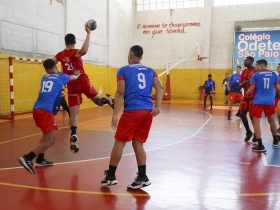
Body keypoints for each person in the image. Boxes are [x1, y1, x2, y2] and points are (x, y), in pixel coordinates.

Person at [101, 45, 163, 190]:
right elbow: (159, 88)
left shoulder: (123, 70)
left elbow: (120, 93)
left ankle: (111, 176)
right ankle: (142, 177)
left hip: (133, 111)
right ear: (141, 56)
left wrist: (115, 114)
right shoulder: (150, 71)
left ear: (130, 55)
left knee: (119, 143)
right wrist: (158, 106)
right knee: (138, 143)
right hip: (148, 111)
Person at [53, 24, 114, 153]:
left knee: (74, 113)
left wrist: (59, 74)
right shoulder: (74, 51)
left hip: (72, 84)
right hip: (82, 79)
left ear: (65, 42)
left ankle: (74, 134)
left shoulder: (60, 54)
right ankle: (106, 99)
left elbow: (49, 63)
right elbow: (84, 51)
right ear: (74, 42)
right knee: (98, 101)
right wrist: (88, 33)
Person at [18, 59, 80, 175]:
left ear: (46, 69)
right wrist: (76, 74)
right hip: (45, 111)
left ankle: (40, 159)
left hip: (36, 109)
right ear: (55, 66)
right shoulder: (60, 77)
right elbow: (74, 78)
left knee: (46, 136)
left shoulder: (44, 78)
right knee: (51, 140)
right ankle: (27, 158)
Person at [246, 59, 280, 152]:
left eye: (256, 65)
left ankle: (260, 145)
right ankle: (275, 138)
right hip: (270, 101)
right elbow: (278, 88)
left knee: (256, 122)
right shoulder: (273, 74)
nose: (255, 67)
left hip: (258, 101)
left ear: (261, 66)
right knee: (272, 120)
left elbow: (252, 89)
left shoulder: (255, 75)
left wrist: (246, 94)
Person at [239, 56, 256, 142]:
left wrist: (245, 82)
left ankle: (257, 133)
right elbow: (241, 81)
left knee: (252, 116)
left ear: (251, 61)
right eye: (244, 60)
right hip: (246, 96)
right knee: (242, 114)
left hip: (254, 96)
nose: (244, 61)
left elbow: (254, 81)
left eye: (246, 60)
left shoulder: (255, 71)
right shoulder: (244, 71)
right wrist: (241, 84)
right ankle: (248, 132)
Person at [276, 64, 280, 133]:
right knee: (278, 113)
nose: (278, 68)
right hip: (277, 96)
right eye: (278, 67)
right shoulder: (277, 76)